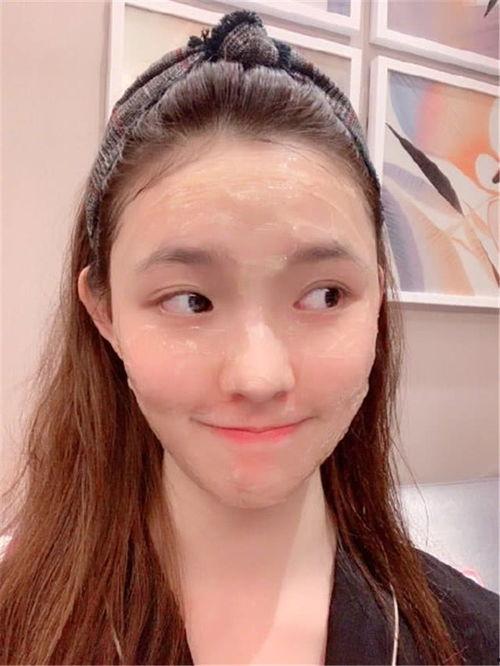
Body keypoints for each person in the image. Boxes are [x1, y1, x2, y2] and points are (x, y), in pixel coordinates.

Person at [0, 9, 498, 665]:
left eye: (324, 295)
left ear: (377, 303)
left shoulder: (475, 641)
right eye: (191, 301)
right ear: (105, 314)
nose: (259, 376)